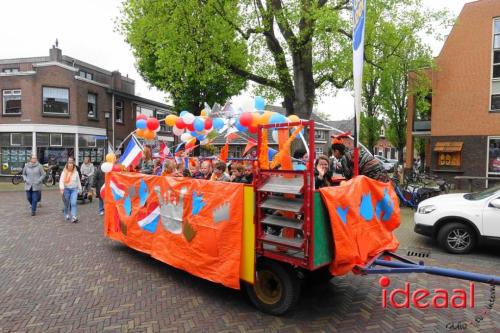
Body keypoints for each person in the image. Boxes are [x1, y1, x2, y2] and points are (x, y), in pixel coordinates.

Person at [59, 157, 82, 223]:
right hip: (66, 189)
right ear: (67, 166)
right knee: (66, 204)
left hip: (74, 189)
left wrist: (80, 189)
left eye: (72, 166)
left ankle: (74, 217)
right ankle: (66, 214)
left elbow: (78, 181)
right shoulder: (64, 172)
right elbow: (61, 181)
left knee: (73, 203)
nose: (70, 167)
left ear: (73, 166)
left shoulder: (76, 173)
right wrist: (62, 188)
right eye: (69, 166)